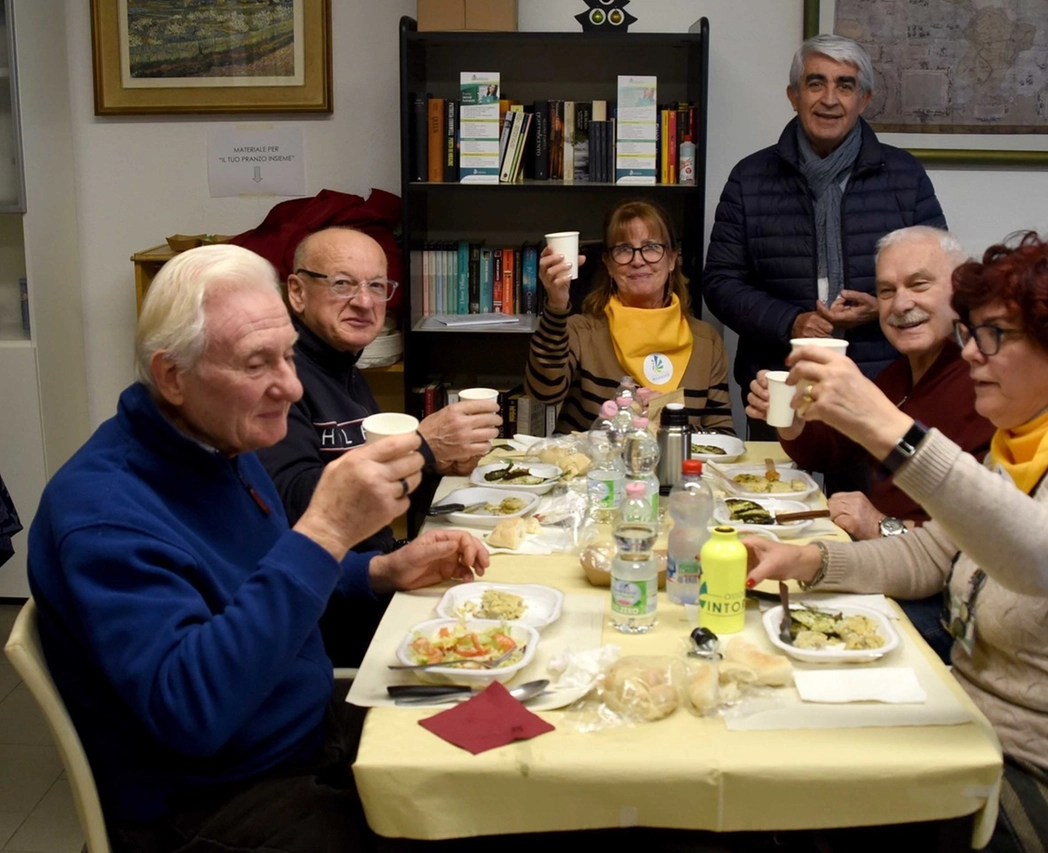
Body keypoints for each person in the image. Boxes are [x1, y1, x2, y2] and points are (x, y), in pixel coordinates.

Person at [745, 232, 1048, 851]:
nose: (970, 354)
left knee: (813, 821)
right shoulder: (1026, 444)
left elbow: (1047, 557)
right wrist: (808, 559)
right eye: (970, 334)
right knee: (788, 779)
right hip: (987, 735)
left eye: (994, 336)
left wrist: (891, 429)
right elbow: (931, 554)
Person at [26, 244, 489, 852]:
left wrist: (377, 570)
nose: (292, 387)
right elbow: (191, 710)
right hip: (211, 798)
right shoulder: (106, 514)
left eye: (289, 357)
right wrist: (324, 529)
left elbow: (263, 579)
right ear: (172, 376)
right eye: (255, 365)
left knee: (508, 745)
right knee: (470, 823)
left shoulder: (215, 441)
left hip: (300, 728)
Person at [744, 226, 992, 661]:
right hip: (885, 562)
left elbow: (967, 548)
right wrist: (788, 418)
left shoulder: (983, 391)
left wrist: (879, 524)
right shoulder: (897, 376)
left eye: (918, 285)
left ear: (959, 291)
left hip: (934, 601)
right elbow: (833, 453)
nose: (901, 304)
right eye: (887, 291)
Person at [257, 227, 501, 664]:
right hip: (325, 620)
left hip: (371, 583)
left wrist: (440, 465)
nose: (365, 302)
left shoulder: (345, 367)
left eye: (376, 286)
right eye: (342, 284)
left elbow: (379, 500)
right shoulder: (281, 379)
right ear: (296, 292)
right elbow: (294, 504)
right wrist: (422, 449)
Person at [704, 34, 946, 437]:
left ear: (863, 99)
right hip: (780, 379)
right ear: (793, 95)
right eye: (816, 83)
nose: (830, 99)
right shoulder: (750, 178)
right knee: (776, 497)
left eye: (845, 85)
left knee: (867, 502)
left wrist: (884, 306)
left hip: (880, 382)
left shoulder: (904, 176)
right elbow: (721, 283)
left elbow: (937, 280)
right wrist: (792, 322)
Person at [526, 200, 734, 434]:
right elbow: (544, 393)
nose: (637, 260)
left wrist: (668, 423)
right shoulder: (581, 331)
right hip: (592, 468)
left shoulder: (707, 341)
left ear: (673, 259)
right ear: (608, 264)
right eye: (624, 249)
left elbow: (723, 436)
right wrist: (556, 303)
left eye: (651, 247)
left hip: (674, 469)